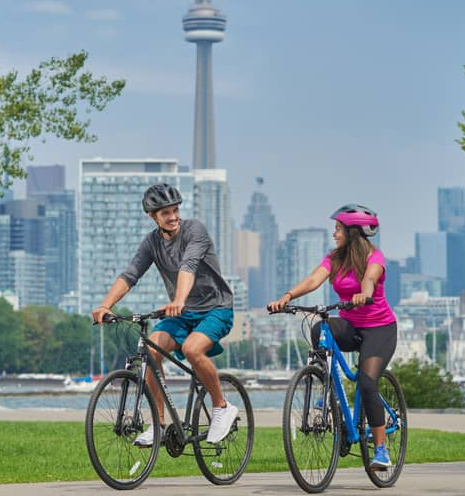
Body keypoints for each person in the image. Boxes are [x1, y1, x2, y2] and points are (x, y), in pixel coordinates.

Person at [91, 183, 238, 446]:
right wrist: (105, 305)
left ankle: (222, 407)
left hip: (216, 308)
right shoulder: (151, 242)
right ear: (152, 216)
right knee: (151, 352)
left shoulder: (195, 230)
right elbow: (130, 274)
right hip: (182, 313)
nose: (173, 217)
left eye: (175, 210)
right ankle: (158, 424)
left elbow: (188, 266)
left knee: (193, 350)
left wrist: (179, 299)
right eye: (165, 213)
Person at [268, 203, 398, 470]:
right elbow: (314, 280)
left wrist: (364, 292)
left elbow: (370, 278)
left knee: (366, 381)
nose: (334, 233)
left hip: (380, 328)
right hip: (351, 325)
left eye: (338, 229)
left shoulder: (375, 257)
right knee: (320, 329)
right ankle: (326, 388)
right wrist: (288, 297)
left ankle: (381, 449)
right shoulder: (335, 258)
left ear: (353, 232)